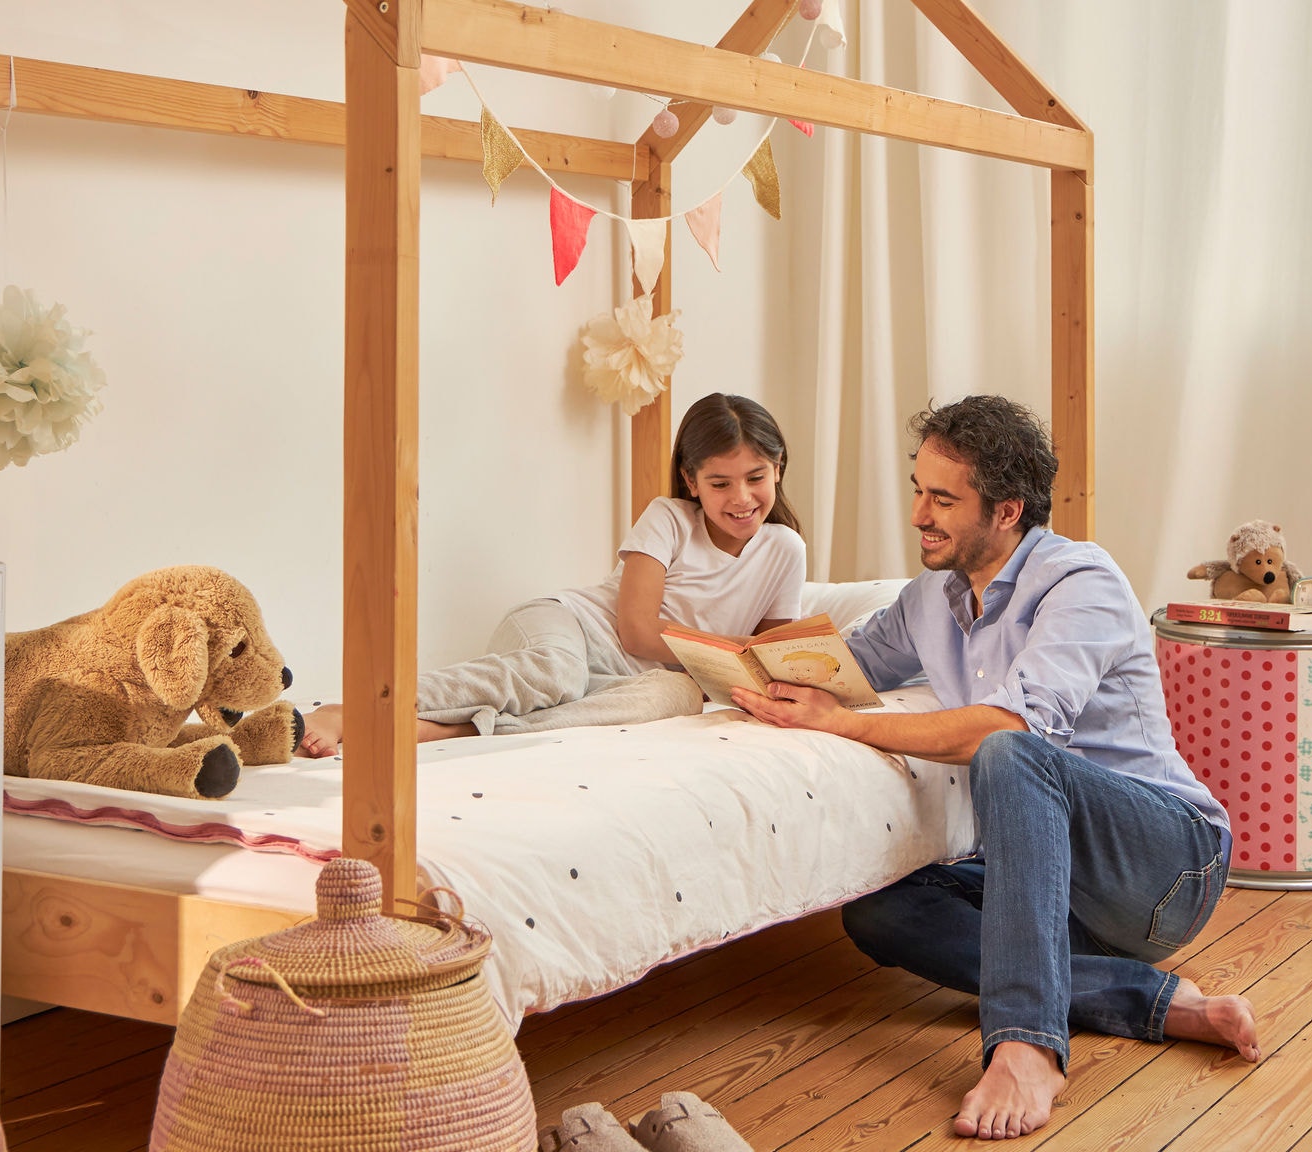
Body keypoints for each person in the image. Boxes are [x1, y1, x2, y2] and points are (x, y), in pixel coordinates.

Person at [730, 395, 1260, 1141]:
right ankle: (1152, 1001)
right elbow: (837, 665)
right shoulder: (928, 600)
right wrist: (727, 657)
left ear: (1007, 511)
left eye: (943, 499)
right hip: (1049, 888)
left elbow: (1013, 727)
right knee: (878, 910)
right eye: (918, 489)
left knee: (1009, 750)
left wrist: (843, 721)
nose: (918, 514)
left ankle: (1030, 1046)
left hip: (1165, 866)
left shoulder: (1083, 583)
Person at [300, 392, 807, 755]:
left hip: (630, 681)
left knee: (678, 697)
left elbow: (764, 659)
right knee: (556, 673)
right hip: (570, 629)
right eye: (720, 483)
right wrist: (730, 646)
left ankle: (458, 734)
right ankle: (358, 708)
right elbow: (636, 630)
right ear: (691, 481)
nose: (741, 498)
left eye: (756, 478)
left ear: (778, 469)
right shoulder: (668, 518)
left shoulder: (785, 550)